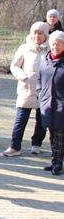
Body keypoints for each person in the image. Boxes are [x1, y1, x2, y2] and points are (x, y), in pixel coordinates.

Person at [3, 21, 49, 157]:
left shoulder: (50, 49)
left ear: (46, 35)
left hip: (44, 91)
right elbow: (14, 66)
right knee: (20, 119)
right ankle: (14, 146)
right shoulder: (24, 48)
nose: (37, 36)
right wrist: (22, 76)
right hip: (26, 88)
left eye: (40, 33)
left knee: (42, 121)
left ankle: (36, 144)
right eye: (35, 33)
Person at [38, 30, 64, 175]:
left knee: (60, 136)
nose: (55, 47)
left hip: (61, 104)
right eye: (53, 44)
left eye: (59, 44)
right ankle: (54, 161)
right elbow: (40, 79)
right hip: (47, 104)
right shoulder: (45, 59)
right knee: (52, 135)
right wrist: (40, 92)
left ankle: (58, 164)